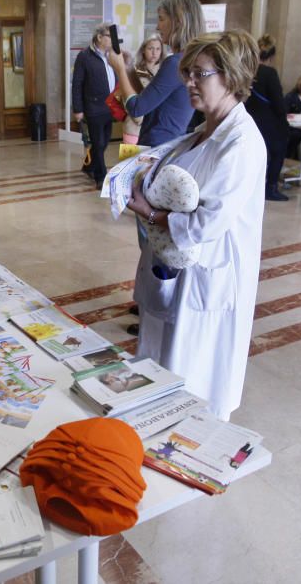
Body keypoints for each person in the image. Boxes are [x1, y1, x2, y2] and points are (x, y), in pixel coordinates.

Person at [125, 29, 266, 421]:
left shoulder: (242, 143)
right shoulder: (203, 131)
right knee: (164, 363)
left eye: (198, 74)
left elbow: (206, 223)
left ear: (231, 77)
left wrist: (149, 214)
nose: (188, 82)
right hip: (176, 266)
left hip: (209, 275)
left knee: (194, 379)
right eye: (187, 72)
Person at [108, 0, 204, 147]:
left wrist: (119, 70)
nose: (158, 26)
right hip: (169, 144)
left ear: (178, 21)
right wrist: (129, 69)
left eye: (161, 19)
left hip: (158, 146)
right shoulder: (188, 58)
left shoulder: (175, 63)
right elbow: (147, 100)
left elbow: (137, 108)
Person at [244, 34, 289, 201]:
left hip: (250, 119)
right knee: (277, 153)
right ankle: (271, 187)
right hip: (269, 123)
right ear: (271, 55)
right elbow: (278, 102)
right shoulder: (269, 73)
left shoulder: (248, 70)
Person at [71, 23, 116, 188]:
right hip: (94, 107)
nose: (114, 40)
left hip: (110, 106)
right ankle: (101, 177)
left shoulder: (112, 55)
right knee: (98, 142)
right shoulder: (85, 56)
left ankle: (88, 166)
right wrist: (78, 109)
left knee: (103, 143)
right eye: (110, 36)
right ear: (99, 37)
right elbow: (77, 84)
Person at [121, 35, 164, 144]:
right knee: (130, 160)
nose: (154, 52)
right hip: (134, 127)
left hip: (157, 129)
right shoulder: (133, 71)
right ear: (143, 50)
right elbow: (126, 97)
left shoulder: (165, 72)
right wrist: (140, 118)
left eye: (158, 49)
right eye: (150, 48)